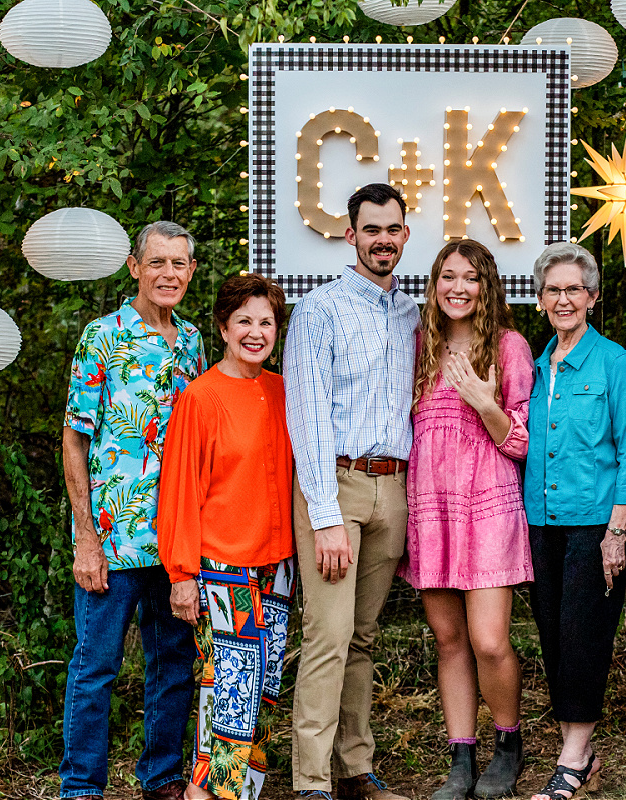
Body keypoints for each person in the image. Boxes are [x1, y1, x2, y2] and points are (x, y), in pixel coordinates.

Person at [60, 221, 205, 800]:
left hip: (175, 541)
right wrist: (85, 538)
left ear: (190, 272)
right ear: (135, 267)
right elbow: (74, 439)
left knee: (172, 664)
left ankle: (161, 777)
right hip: (112, 539)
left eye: (179, 264)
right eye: (158, 262)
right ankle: (81, 786)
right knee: (96, 666)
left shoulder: (192, 342)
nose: (169, 274)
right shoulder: (102, 336)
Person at [284, 183, 419, 800]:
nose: (382, 240)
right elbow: (307, 417)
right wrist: (325, 515)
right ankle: (311, 781)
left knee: (363, 638)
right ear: (351, 235)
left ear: (405, 236)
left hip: (394, 487)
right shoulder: (320, 311)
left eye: (392, 229)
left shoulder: (413, 314)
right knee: (329, 637)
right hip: (334, 484)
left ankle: (355, 770)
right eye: (371, 230)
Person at [399, 239, 535, 800]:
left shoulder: (508, 346)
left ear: (487, 286)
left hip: (488, 507)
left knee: (489, 640)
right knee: (449, 639)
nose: (458, 287)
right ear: (434, 285)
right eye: (448, 276)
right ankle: (461, 759)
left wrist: (483, 400)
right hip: (431, 509)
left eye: (471, 277)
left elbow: (521, 442)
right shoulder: (418, 345)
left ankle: (509, 744)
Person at [157, 273, 297, 800]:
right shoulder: (201, 397)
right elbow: (179, 491)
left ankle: (241, 792)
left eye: (266, 322)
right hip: (222, 566)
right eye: (244, 321)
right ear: (222, 328)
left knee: (262, 689)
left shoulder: (283, 390)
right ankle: (204, 791)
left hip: (278, 565)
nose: (256, 333)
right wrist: (181, 575)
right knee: (229, 688)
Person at [523, 241, 626, 800]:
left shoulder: (613, 361)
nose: (563, 299)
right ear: (540, 298)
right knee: (552, 635)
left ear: (592, 296)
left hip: (596, 523)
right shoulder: (534, 366)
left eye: (574, 289)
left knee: (583, 636)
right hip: (541, 521)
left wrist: (617, 532)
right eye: (553, 290)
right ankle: (582, 753)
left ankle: (571, 760)